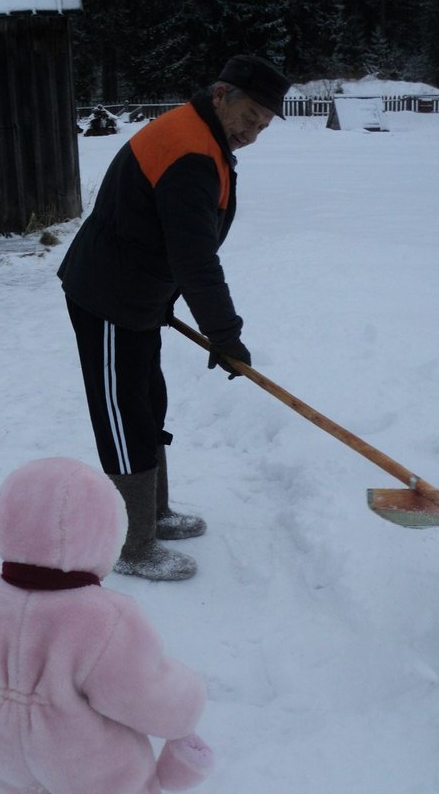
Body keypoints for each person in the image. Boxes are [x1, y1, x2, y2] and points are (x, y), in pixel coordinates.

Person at [58, 55, 291, 582]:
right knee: (123, 418)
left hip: (140, 296)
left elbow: (177, 243)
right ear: (220, 95)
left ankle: (153, 515)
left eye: (263, 125)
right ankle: (133, 544)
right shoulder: (190, 151)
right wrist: (225, 334)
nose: (252, 132)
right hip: (110, 297)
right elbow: (195, 257)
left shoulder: (203, 137)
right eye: (248, 116)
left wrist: (178, 309)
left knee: (148, 402)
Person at [0, 456, 214, 794]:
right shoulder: (104, 618)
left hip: (4, 741)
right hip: (85, 757)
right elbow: (147, 696)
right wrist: (187, 699)